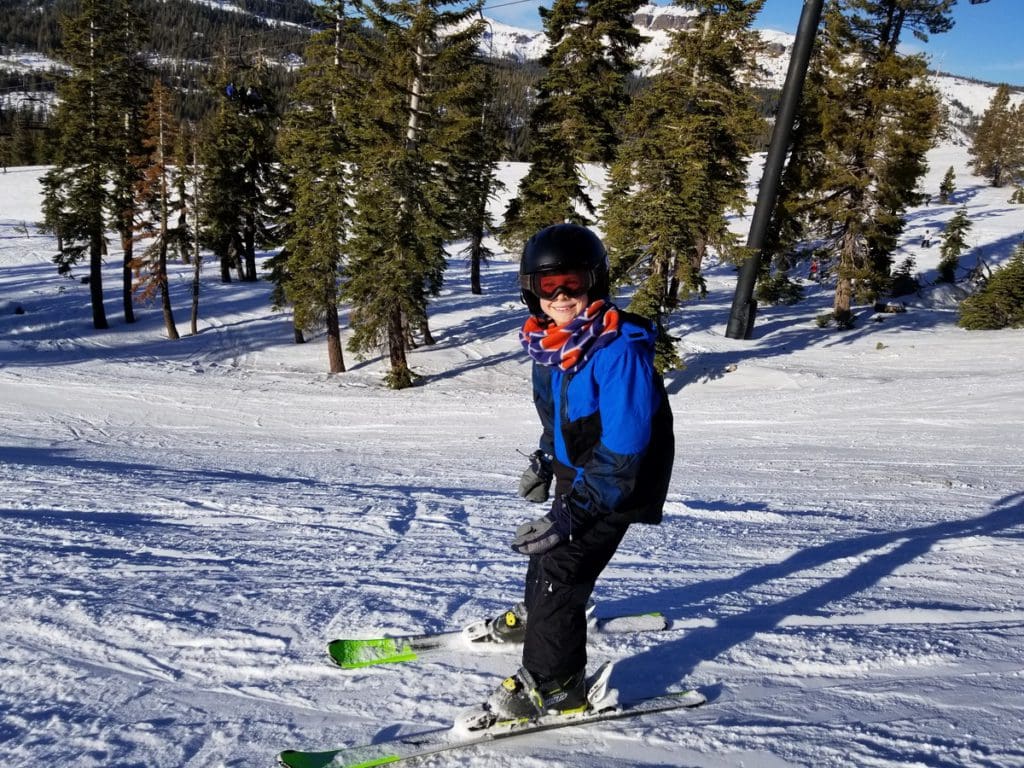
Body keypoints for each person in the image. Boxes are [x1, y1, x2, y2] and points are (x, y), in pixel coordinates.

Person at [483, 223, 675, 720]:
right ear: (533, 292)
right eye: (550, 286)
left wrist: (580, 508)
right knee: (546, 557)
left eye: (573, 282)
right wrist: (549, 459)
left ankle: (556, 682)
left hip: (617, 484)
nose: (563, 296)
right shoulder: (549, 346)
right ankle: (543, 622)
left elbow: (625, 448)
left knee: (562, 569)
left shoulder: (617, 350)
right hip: (581, 475)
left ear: (596, 281)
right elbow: (560, 417)